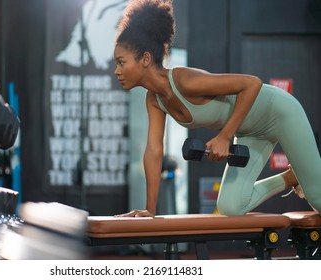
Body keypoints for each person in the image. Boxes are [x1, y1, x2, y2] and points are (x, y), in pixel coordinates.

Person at [113, 0, 321, 217]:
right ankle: (290, 178)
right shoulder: (154, 100)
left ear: (145, 59)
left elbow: (252, 84)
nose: (117, 71)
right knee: (231, 206)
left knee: (317, 198)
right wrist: (150, 210)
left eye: (121, 62)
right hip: (249, 131)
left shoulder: (184, 81)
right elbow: (154, 151)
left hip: (278, 111)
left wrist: (224, 137)